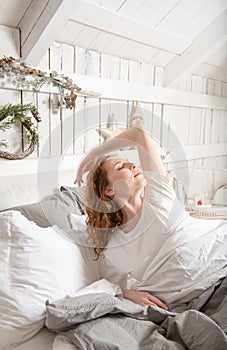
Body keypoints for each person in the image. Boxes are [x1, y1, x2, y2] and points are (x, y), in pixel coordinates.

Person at [74, 126, 227, 310]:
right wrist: (128, 294)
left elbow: (140, 135)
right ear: (109, 191)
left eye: (129, 162)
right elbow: (113, 287)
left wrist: (96, 152)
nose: (132, 165)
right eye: (121, 167)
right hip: (202, 298)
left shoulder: (158, 196)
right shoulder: (114, 248)